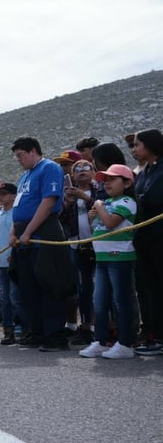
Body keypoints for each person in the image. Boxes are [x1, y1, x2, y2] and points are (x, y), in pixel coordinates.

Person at [10, 136, 75, 352]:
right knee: (29, 288)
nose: (19, 159)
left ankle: (54, 335)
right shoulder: (24, 176)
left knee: (49, 286)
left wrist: (28, 231)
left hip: (43, 232)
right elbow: (19, 207)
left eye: (20, 155)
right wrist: (14, 232)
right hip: (24, 237)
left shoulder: (49, 168)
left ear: (32, 151)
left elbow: (48, 202)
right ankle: (36, 332)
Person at [78, 164, 138, 359]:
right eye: (105, 180)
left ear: (127, 183)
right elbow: (98, 227)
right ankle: (101, 341)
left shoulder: (127, 201)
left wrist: (99, 207)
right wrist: (92, 216)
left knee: (121, 301)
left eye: (113, 179)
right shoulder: (106, 202)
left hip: (120, 257)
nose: (107, 183)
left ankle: (126, 343)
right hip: (102, 258)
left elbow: (112, 223)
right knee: (99, 301)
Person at [131, 128, 163, 356]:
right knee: (151, 289)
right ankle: (156, 336)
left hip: (160, 238)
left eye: (136, 145)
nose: (133, 150)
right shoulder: (144, 172)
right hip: (145, 239)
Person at [60, 159, 98, 345]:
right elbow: (61, 220)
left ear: (93, 171)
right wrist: (66, 204)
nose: (82, 171)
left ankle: (100, 326)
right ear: (72, 175)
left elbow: (104, 207)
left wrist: (85, 197)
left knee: (100, 286)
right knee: (83, 287)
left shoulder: (100, 190)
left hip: (98, 244)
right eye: (77, 169)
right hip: (76, 244)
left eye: (86, 168)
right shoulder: (69, 194)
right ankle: (85, 327)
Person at [0, 182, 25, 345]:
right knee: (4, 298)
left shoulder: (18, 214)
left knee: (16, 297)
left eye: (4, 193)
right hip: (1, 263)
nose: (0, 197)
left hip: (15, 262)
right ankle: (8, 330)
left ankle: (22, 328)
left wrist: (14, 253)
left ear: (13, 196)